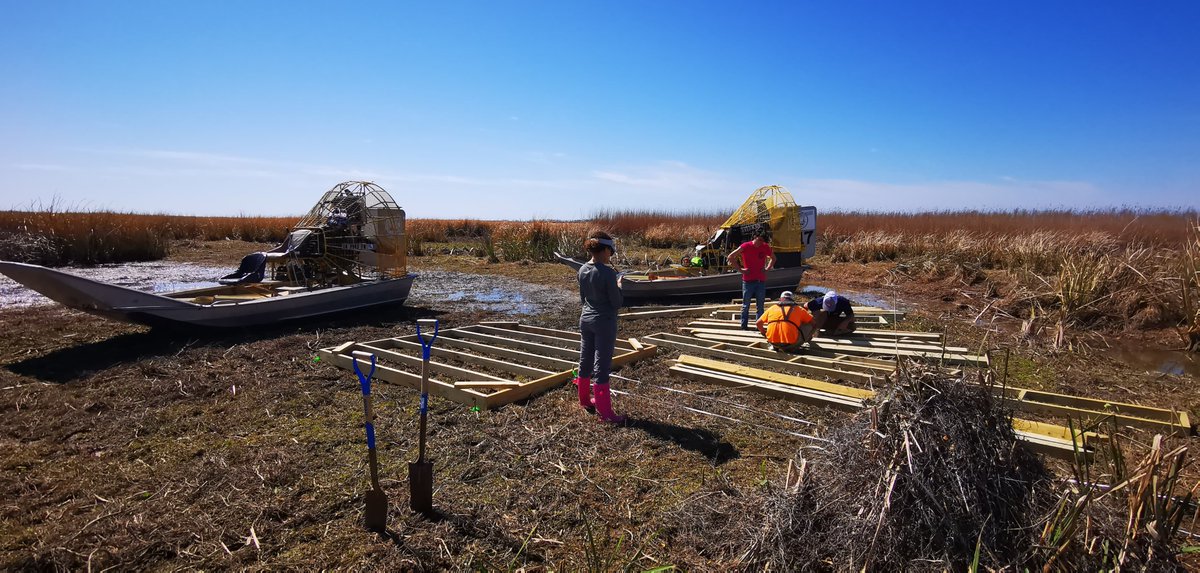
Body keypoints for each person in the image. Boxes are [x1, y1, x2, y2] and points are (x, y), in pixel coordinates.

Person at [575, 230, 626, 423]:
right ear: (605, 250)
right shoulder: (608, 273)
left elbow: (583, 299)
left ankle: (584, 400)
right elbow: (616, 303)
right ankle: (605, 413)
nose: (610, 256)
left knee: (585, 359)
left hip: (586, 320)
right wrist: (619, 285)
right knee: (602, 365)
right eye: (610, 252)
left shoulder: (582, 270)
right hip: (604, 321)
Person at [726, 228, 775, 330]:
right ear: (755, 237)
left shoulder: (765, 247)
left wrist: (767, 269)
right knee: (745, 306)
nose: (760, 242)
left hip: (760, 280)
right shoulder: (746, 246)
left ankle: (759, 327)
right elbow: (730, 257)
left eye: (762, 240)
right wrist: (741, 270)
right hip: (748, 281)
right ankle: (744, 327)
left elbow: (773, 258)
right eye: (759, 239)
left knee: (760, 306)